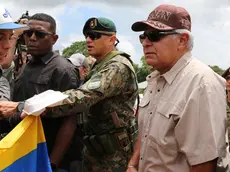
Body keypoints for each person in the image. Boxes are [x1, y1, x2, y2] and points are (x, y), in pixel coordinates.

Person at [127, 4, 228, 172]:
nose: (145, 43)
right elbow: (146, 133)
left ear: (182, 41)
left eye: (154, 35)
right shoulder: (155, 79)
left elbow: (204, 164)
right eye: (143, 36)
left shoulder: (201, 84)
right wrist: (133, 164)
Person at [39, 17, 138, 172]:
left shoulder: (117, 66)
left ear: (112, 39)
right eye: (87, 36)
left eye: (95, 36)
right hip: (97, 149)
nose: (88, 40)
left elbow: (83, 96)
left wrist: (36, 106)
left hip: (114, 156)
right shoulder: (100, 65)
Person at [8, 13, 81, 172]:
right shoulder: (28, 65)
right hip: (23, 153)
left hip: (46, 156)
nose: (32, 38)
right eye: (28, 33)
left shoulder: (63, 70)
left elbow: (70, 120)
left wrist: (52, 163)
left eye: (40, 34)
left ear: (54, 39)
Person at [0, 7, 27, 137]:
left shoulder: (2, 79)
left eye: (10, 37)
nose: (8, 45)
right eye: (0, 37)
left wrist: (21, 114)